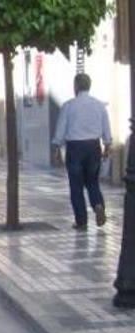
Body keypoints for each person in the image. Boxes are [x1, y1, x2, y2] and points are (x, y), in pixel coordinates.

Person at [52, 73, 111, 230]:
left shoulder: (69, 106)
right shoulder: (99, 105)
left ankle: (81, 221)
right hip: (93, 147)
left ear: (76, 86)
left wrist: (57, 147)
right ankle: (98, 205)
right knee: (92, 182)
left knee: (76, 185)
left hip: (75, 149)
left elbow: (61, 129)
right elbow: (106, 127)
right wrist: (107, 145)